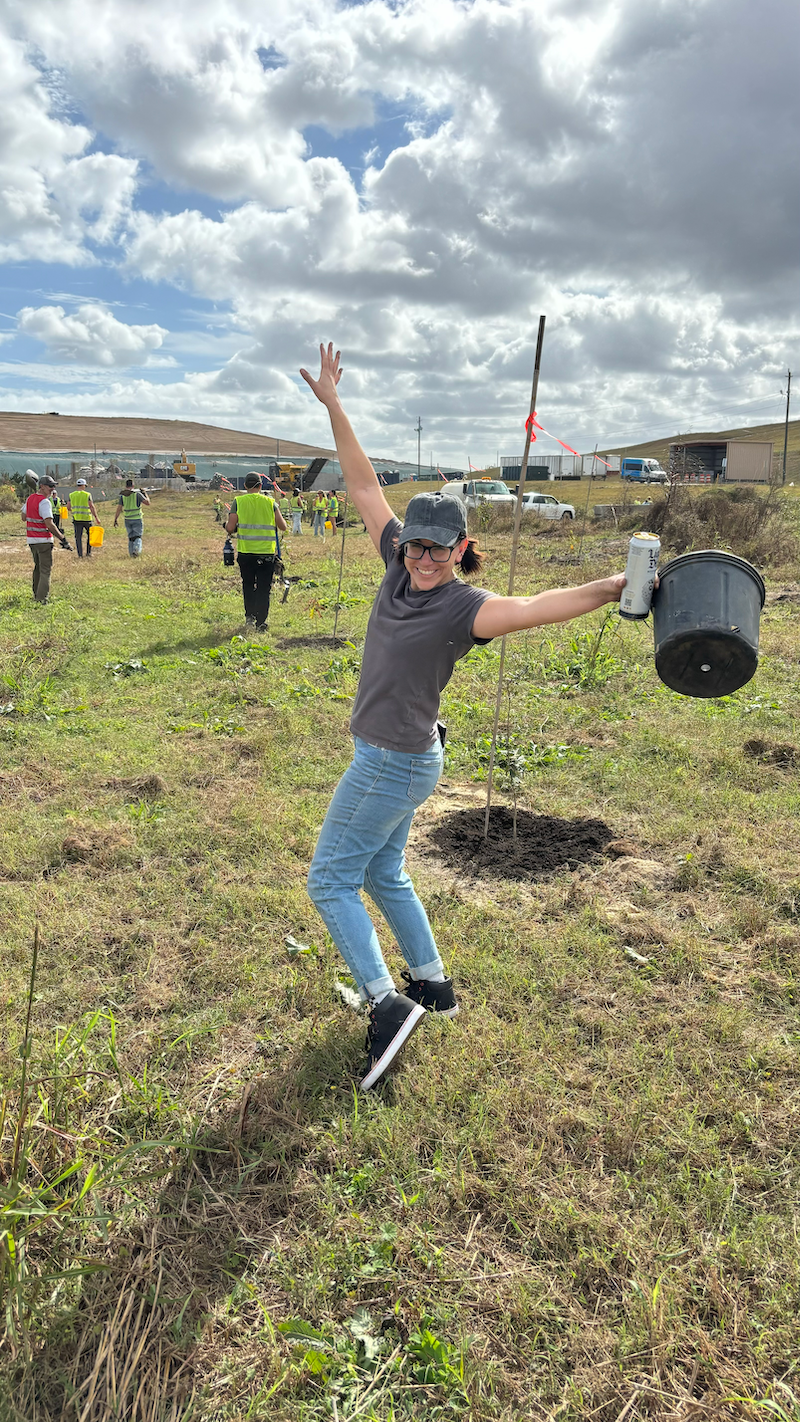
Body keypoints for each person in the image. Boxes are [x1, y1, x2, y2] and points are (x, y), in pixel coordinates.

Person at [300, 343, 627, 1092]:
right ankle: (434, 987)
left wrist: (611, 586)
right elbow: (360, 482)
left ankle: (386, 1007)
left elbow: (537, 608)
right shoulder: (393, 564)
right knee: (382, 870)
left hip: (393, 761)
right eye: (416, 545)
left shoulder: (464, 609)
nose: (424, 558)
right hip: (408, 757)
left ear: (461, 550)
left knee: (329, 881)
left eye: (440, 550)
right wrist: (334, 406)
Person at [225, 471, 287, 630]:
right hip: (266, 554)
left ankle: (249, 617)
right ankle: (261, 622)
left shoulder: (238, 501)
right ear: (260, 486)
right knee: (263, 588)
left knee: (248, 585)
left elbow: (230, 527)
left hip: (246, 553)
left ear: (245, 485)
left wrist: (228, 526)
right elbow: (283, 527)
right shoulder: (270, 502)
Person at [21, 473, 71, 603]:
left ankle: (36, 594)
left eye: (53, 486)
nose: (52, 489)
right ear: (42, 486)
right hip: (43, 540)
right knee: (45, 571)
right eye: (50, 486)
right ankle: (41, 598)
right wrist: (63, 539)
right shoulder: (44, 502)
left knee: (37, 568)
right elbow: (49, 524)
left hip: (32, 541)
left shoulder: (30, 498)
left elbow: (23, 517)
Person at [114, 480, 151, 557]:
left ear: (126, 486)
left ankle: (131, 554)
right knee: (138, 536)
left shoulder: (123, 496)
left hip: (127, 519)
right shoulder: (137, 494)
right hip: (137, 518)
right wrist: (145, 493)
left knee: (131, 538)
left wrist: (115, 519)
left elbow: (119, 508)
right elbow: (147, 503)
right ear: (133, 486)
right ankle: (136, 551)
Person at [69, 478, 100, 558]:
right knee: (90, 535)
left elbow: (68, 507)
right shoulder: (87, 495)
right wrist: (96, 517)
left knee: (78, 537)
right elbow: (91, 506)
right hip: (87, 519)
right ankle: (88, 553)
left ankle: (80, 555)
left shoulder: (71, 495)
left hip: (77, 519)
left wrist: (75, 511)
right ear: (83, 485)